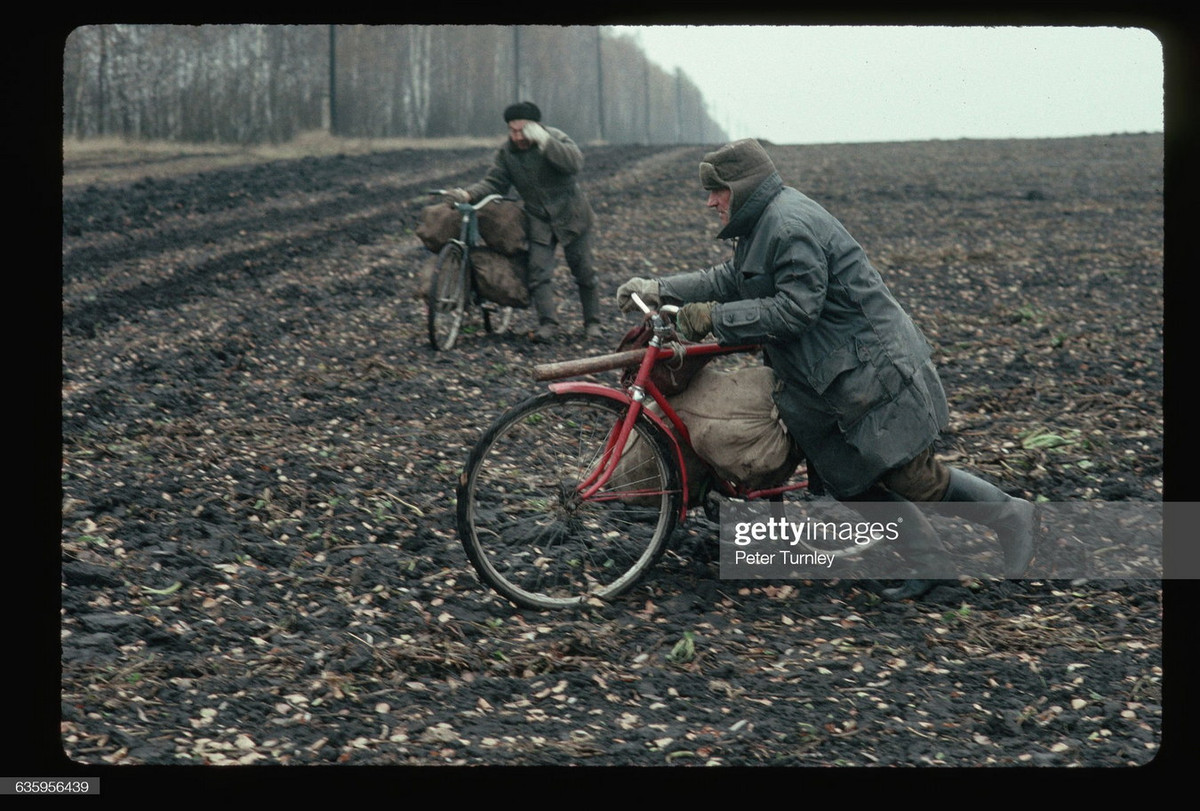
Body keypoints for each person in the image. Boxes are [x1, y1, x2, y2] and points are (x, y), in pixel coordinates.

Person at [616, 138, 1036, 601]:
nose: (711, 201)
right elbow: (731, 279)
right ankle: (931, 565)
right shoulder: (762, 225)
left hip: (871, 371)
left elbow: (796, 310)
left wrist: (713, 318)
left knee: (913, 478)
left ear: (743, 186)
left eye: (718, 190)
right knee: (849, 481)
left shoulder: (789, 226)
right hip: (829, 378)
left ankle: (1012, 516)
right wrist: (661, 288)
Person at [447, 101, 601, 343]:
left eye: (522, 130)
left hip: (571, 216)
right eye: (512, 130)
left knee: (584, 272)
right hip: (538, 219)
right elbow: (495, 182)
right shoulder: (507, 153)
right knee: (538, 273)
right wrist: (468, 194)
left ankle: (593, 323)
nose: (517, 136)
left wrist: (545, 142)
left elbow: (574, 163)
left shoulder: (555, 139)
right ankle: (548, 324)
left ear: (536, 126)